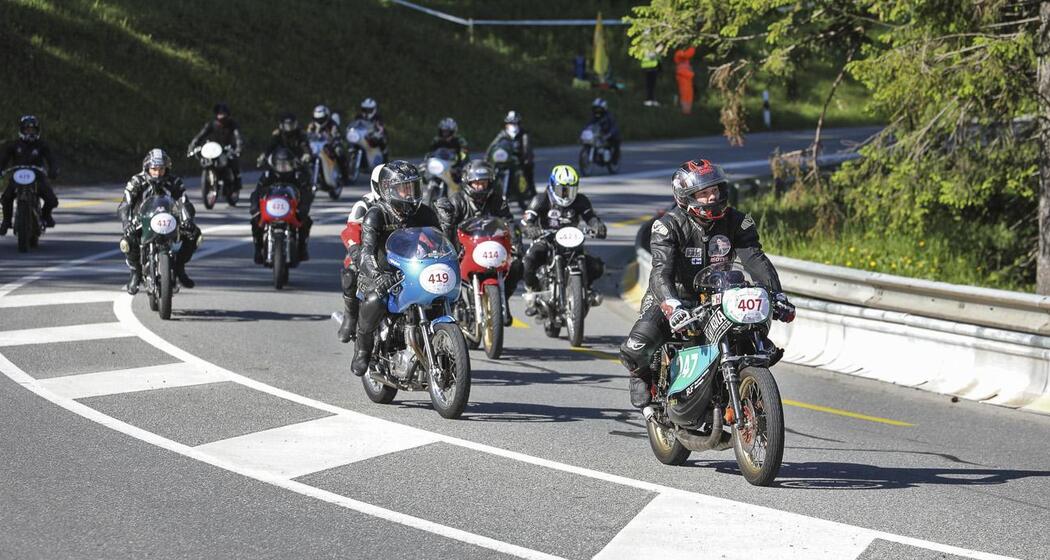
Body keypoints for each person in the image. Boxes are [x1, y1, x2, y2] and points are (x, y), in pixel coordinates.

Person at [618, 158, 796, 409]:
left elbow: (754, 258)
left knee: (755, 326)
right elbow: (660, 273)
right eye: (703, 194)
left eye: (715, 190)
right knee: (636, 347)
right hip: (675, 296)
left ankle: (746, 384)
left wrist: (777, 295)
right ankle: (641, 375)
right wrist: (673, 306)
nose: (712, 198)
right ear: (685, 197)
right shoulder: (667, 226)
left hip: (721, 296)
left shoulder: (738, 221)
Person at [350, 161, 445, 377]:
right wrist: (376, 274)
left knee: (439, 299)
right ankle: (362, 351)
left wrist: (447, 226)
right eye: (404, 188)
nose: (409, 194)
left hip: (416, 270)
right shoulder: (376, 214)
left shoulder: (425, 213)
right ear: (387, 189)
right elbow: (366, 252)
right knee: (374, 300)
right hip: (382, 271)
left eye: (413, 187)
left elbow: (441, 245)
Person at [435, 159, 523, 326]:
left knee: (518, 265)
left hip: (493, 251)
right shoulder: (457, 200)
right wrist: (452, 247)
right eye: (477, 183)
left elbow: (509, 222)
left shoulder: (497, 200)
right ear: (468, 183)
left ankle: (502, 300)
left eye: (484, 183)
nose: (481, 187)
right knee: (448, 273)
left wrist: (516, 242)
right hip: (466, 252)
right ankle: (456, 307)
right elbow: (448, 227)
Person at [520, 164, 606, 315]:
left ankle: (586, 288)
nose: (566, 194)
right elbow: (527, 220)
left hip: (572, 242)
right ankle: (533, 292)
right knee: (528, 262)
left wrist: (597, 226)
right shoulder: (541, 199)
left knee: (596, 266)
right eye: (563, 189)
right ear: (553, 185)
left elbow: (591, 217)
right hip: (546, 240)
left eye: (571, 189)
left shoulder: (581, 201)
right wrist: (530, 228)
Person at [118, 149, 200, 294]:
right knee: (127, 241)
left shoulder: (174, 181)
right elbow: (125, 204)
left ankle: (179, 268)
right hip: (142, 221)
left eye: (161, 169)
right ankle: (135, 273)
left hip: (170, 220)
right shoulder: (136, 181)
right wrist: (127, 223)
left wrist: (188, 219)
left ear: (166, 169)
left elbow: (184, 202)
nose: (157, 173)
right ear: (147, 168)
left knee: (195, 234)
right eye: (154, 169)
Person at [337, 164, 384, 342]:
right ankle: (350, 317)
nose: (400, 191)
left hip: (399, 255)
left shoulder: (409, 204)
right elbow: (351, 230)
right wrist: (356, 251)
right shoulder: (364, 205)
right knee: (351, 272)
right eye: (391, 185)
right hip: (368, 253)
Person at [249, 147, 314, 263]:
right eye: (280, 165)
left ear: (292, 164)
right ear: (274, 164)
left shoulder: (297, 176)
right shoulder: (268, 175)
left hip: (291, 209)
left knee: (306, 221)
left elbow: (306, 193)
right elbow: (256, 192)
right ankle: (258, 248)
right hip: (271, 208)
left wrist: (303, 207)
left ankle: (302, 248)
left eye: (286, 165)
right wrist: (255, 207)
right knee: (255, 220)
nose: (283, 168)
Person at [0, 115, 59, 234]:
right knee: (6, 198)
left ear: (37, 131)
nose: (30, 132)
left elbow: (51, 159)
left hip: (38, 178)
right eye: (27, 130)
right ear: (21, 130)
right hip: (17, 177)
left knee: (52, 200)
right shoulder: (13, 145)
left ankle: (45, 216)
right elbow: (3, 160)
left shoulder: (42, 145)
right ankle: (6, 221)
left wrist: (53, 170)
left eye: (33, 130)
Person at [186, 102, 244, 192]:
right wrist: (192, 146)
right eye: (219, 113)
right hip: (213, 149)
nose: (221, 115)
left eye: (223, 113)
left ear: (227, 114)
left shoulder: (232, 124)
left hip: (227, 149)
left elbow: (238, 137)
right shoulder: (211, 124)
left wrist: (238, 148)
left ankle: (236, 183)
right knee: (205, 160)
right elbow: (200, 136)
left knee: (233, 162)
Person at [487, 110, 535, 196]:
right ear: (506, 124)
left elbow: (528, 149)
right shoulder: (502, 134)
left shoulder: (524, 134)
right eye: (511, 123)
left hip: (520, 160)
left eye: (515, 123)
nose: (513, 126)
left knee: (528, 170)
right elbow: (492, 146)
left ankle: (531, 191)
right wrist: (487, 158)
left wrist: (527, 159)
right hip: (505, 159)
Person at [306, 104, 351, 183]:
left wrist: (334, 139)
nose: (319, 121)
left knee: (339, 152)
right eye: (317, 119)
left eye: (321, 119)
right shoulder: (312, 125)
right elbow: (308, 134)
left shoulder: (332, 124)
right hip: (317, 145)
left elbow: (336, 134)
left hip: (329, 145)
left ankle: (345, 175)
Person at [587, 98, 621, 165]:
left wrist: (609, 134)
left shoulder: (609, 116)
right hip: (598, 135)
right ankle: (596, 157)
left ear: (603, 108)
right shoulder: (594, 117)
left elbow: (614, 127)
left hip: (610, 135)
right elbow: (588, 124)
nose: (597, 110)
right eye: (595, 108)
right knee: (590, 143)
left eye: (599, 108)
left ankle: (615, 159)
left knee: (615, 142)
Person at [355, 98, 388, 163]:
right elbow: (354, 125)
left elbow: (381, 128)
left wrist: (378, 131)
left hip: (373, 137)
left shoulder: (378, 117)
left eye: (369, 110)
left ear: (374, 109)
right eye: (364, 110)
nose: (366, 112)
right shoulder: (358, 117)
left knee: (382, 142)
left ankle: (385, 162)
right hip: (361, 137)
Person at [674, 47, 696, 114]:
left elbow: (690, 53)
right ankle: (685, 111)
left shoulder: (684, 58)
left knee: (689, 94)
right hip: (683, 77)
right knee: (685, 94)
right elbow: (688, 54)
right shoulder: (679, 54)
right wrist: (692, 47)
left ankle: (688, 111)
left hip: (687, 77)